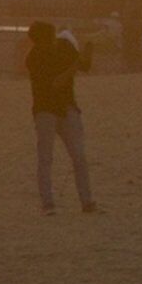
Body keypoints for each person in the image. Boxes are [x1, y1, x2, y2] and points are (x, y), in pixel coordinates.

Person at [23, 21, 96, 215]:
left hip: (67, 107)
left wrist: (89, 49)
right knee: (46, 158)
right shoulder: (34, 58)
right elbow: (56, 83)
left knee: (79, 156)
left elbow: (85, 66)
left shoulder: (64, 46)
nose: (53, 41)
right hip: (45, 110)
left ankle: (87, 202)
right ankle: (48, 203)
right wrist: (74, 65)